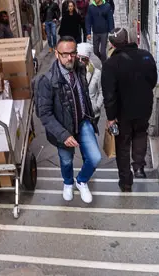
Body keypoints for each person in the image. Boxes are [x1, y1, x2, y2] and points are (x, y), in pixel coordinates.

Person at [36, 36, 101, 203]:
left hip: (83, 121)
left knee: (95, 157)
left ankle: (81, 181)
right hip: (62, 128)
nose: (69, 58)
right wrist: (63, 134)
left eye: (72, 53)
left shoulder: (79, 68)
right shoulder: (47, 80)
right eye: (65, 54)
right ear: (57, 54)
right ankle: (67, 182)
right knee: (66, 160)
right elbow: (44, 113)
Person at [101, 28, 157, 192]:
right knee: (140, 133)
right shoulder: (146, 56)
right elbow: (153, 80)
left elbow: (109, 94)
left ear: (111, 44)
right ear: (128, 39)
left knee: (122, 144)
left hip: (122, 112)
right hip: (144, 106)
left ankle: (126, 182)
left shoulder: (110, 64)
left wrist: (111, 117)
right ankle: (139, 167)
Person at [77, 43, 103, 125]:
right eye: (78, 58)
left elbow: (102, 91)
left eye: (83, 59)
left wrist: (97, 106)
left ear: (88, 59)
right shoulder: (72, 73)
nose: (80, 61)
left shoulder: (96, 72)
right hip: (77, 115)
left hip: (93, 114)